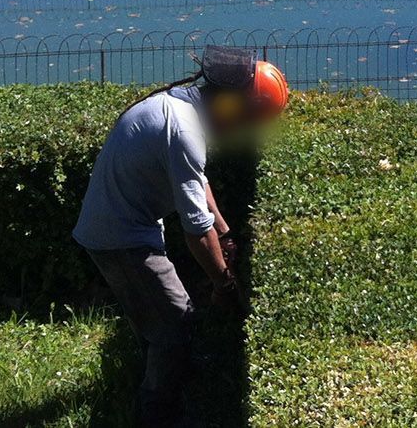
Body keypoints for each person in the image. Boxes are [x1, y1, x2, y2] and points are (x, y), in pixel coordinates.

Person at [73, 47, 290, 428]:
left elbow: (198, 183)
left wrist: (223, 230)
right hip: (120, 239)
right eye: (247, 119)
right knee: (176, 324)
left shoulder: (181, 107)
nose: (242, 130)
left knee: (161, 322)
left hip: (126, 227)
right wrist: (223, 284)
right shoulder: (184, 129)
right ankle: (156, 414)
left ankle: (168, 380)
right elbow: (194, 230)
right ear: (229, 104)